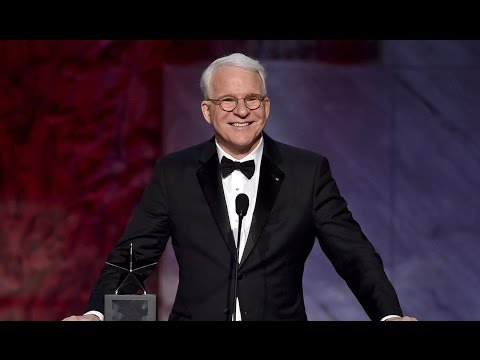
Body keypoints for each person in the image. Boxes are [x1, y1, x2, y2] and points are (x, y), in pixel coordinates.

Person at [63, 52, 417, 321]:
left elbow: (353, 254)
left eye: (252, 99)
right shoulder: (174, 172)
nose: (241, 110)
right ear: (206, 110)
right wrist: (96, 315)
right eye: (227, 100)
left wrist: (389, 314)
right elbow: (134, 256)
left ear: (266, 107)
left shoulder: (307, 171)